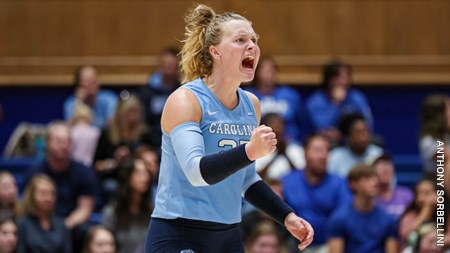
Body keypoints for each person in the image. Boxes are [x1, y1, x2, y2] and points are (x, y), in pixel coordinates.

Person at [145, 4, 314, 253]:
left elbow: (246, 180)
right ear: (215, 51)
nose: (252, 46)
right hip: (179, 232)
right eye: (240, 40)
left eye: (254, 40)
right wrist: (249, 151)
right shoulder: (186, 100)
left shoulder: (251, 104)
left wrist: (286, 216)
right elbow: (196, 172)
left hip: (228, 235)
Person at [282, 134, 350, 253]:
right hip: (292, 245)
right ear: (305, 153)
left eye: (326, 151)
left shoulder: (338, 183)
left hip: (329, 245)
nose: (323, 156)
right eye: (317, 150)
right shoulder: (287, 181)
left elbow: (344, 217)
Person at [328, 164, 398, 253]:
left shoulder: (388, 220)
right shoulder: (339, 219)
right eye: (367, 179)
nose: (374, 183)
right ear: (353, 184)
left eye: (375, 179)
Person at [306, 60, 373, 146]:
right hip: (328, 142)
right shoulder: (315, 101)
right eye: (338, 78)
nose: (343, 82)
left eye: (346, 77)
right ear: (329, 79)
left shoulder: (357, 98)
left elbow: (367, 122)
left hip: (353, 140)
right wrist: (336, 104)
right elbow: (321, 127)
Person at [244, 57, 310, 143]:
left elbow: (303, 122)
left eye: (272, 71)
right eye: (265, 72)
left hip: (288, 143)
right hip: (256, 143)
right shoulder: (248, 95)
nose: (269, 75)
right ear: (256, 73)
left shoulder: (290, 95)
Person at [101, 159, 152, 253]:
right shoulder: (112, 212)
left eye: (146, 173)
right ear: (128, 177)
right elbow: (106, 245)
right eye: (139, 173)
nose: (145, 178)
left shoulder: (152, 212)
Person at [17, 174, 72, 253]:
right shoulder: (22, 224)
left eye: (52, 194)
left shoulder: (62, 225)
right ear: (31, 196)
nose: (48, 198)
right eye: (43, 193)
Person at [139, 47, 181, 148]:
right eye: (165, 64)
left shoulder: (183, 92)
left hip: (176, 141)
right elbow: (143, 123)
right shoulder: (147, 92)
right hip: (152, 144)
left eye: (171, 65)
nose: (168, 68)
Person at [327, 113, 383, 178]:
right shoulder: (335, 158)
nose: (364, 137)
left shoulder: (378, 155)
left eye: (366, 131)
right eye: (358, 132)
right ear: (349, 136)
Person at [255, 113, 305, 180]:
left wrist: (286, 154)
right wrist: (276, 155)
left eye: (280, 124)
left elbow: (303, 178)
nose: (278, 127)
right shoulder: (257, 151)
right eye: (273, 124)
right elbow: (255, 179)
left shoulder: (295, 149)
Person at [373, 152, 414, 220]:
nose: (385, 169)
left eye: (388, 164)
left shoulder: (406, 195)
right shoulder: (369, 199)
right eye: (380, 165)